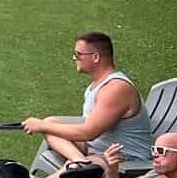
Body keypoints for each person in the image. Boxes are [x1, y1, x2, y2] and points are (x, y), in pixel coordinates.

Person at [22, 31, 157, 174]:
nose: (74, 58)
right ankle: (80, 162)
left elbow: (89, 132)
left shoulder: (116, 89)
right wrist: (45, 125)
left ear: (96, 57)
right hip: (97, 150)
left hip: (123, 159)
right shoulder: (98, 85)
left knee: (48, 129)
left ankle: (80, 167)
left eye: (78, 54)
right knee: (51, 122)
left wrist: (41, 125)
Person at [92, 133, 177, 178]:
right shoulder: (155, 174)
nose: (154, 155)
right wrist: (112, 171)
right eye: (154, 150)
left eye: (161, 151)